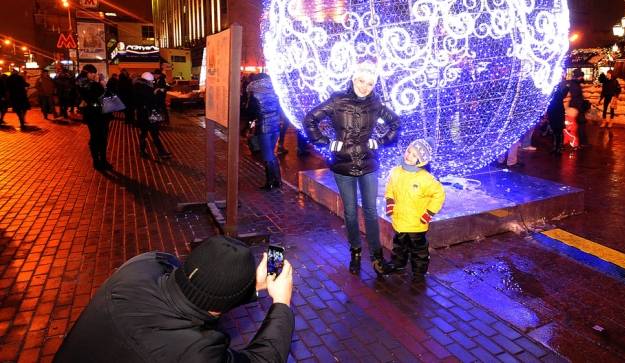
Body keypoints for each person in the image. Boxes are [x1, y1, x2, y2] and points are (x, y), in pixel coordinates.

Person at [53, 235, 295, 363]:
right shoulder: (197, 352)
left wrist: (254, 286)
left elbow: (198, 291)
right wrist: (281, 304)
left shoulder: (145, 264)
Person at [304, 61, 400, 276]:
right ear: (353, 79)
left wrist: (381, 142)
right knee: (350, 212)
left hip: (368, 163)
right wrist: (325, 142)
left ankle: (377, 257)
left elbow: (395, 123)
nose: (365, 87)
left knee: (370, 211)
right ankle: (355, 252)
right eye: (361, 81)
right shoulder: (337, 100)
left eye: (370, 83)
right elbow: (310, 119)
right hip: (343, 164)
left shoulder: (375, 103)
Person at [384, 137, 445, 284]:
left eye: (414, 155)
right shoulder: (396, 171)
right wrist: (390, 201)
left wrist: (429, 213)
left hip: (416, 223)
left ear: (421, 160)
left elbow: (439, 194)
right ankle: (398, 262)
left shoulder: (425, 178)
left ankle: (419, 271)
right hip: (399, 220)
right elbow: (390, 186)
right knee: (399, 244)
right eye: (408, 151)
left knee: (418, 249)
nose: (408, 156)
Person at [246, 73, 283, 190]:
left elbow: (251, 112)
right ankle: (278, 181)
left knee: (267, 155)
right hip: (276, 125)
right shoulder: (275, 92)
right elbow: (280, 109)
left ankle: (270, 182)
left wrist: (250, 122)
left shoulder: (255, 93)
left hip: (264, 126)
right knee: (271, 153)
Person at [76, 64, 113, 169]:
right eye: (91, 73)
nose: (93, 75)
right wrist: (101, 85)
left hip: (101, 112)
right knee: (95, 137)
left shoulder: (94, 84)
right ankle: (96, 161)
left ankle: (103, 160)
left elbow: (108, 94)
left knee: (103, 137)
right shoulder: (84, 83)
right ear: (86, 73)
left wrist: (103, 85)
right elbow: (95, 96)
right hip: (93, 113)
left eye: (94, 73)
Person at [134, 72, 171, 159]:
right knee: (154, 133)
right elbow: (154, 99)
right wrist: (159, 93)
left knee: (143, 134)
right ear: (147, 81)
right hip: (149, 114)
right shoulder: (147, 89)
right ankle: (160, 151)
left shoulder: (136, 88)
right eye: (151, 81)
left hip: (141, 114)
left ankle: (142, 151)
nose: (152, 82)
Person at [567, 69, 590, 147]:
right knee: (581, 123)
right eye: (580, 76)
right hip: (577, 106)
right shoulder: (575, 85)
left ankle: (577, 140)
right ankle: (582, 141)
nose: (581, 78)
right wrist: (581, 103)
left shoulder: (575, 83)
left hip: (576, 106)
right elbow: (576, 96)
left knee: (578, 124)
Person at [546, 80, 568, 156]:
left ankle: (559, 147)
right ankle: (555, 147)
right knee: (554, 129)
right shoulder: (550, 87)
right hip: (552, 110)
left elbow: (559, 96)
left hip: (558, 110)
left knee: (559, 129)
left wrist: (565, 88)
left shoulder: (562, 87)